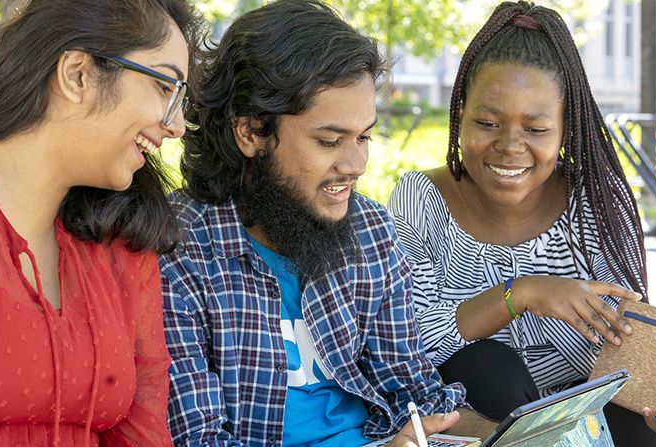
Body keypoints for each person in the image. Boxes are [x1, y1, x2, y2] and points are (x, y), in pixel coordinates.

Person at [159, 1, 495, 446]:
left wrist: (508, 436)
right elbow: (197, 439)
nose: (356, 164)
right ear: (251, 133)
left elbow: (417, 394)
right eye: (330, 140)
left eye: (364, 137)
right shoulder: (178, 250)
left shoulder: (371, 231)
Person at [387, 2, 656, 447]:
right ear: (459, 111)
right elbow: (408, 348)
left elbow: (627, 344)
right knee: (489, 365)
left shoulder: (594, 202)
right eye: (487, 122)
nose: (509, 146)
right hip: (474, 421)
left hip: (585, 421)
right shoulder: (421, 199)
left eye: (536, 130)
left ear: (566, 128)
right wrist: (521, 294)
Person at [0, 1, 202, 445]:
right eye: (165, 88)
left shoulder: (121, 236)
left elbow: (142, 431)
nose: (178, 125)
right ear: (78, 75)